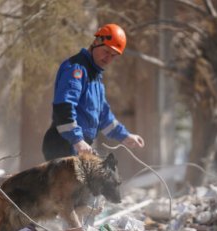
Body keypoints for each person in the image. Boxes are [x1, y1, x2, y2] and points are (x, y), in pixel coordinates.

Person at [42, 23, 145, 161]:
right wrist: (77, 140)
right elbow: (64, 107)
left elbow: (103, 116)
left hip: (77, 146)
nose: (108, 58)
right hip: (63, 145)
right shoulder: (76, 69)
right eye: (106, 51)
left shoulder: (95, 77)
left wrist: (125, 136)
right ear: (96, 42)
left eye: (113, 55)